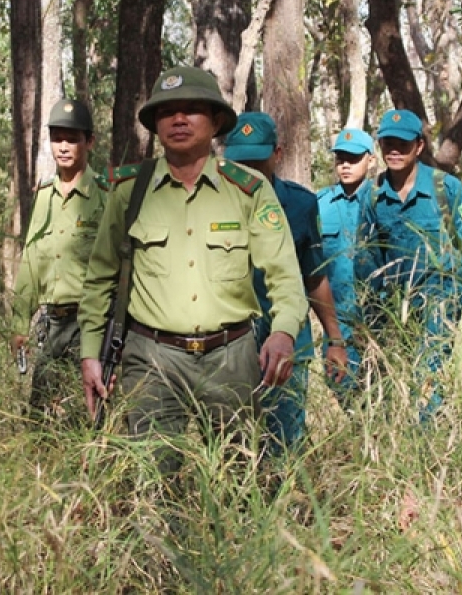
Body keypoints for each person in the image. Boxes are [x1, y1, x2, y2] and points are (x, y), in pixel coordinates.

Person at [78, 66, 307, 474]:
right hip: (151, 358)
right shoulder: (130, 192)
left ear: (216, 121)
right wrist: (90, 353)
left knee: (236, 478)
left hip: (231, 358)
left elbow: (285, 275)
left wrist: (284, 331)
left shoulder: (249, 190)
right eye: (168, 112)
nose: (179, 120)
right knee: (155, 482)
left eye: (192, 110)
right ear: (155, 124)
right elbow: (100, 278)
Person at [222, 112, 350, 453]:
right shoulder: (211, 202)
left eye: (256, 161)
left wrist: (334, 339)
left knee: (283, 444)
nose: (247, 171)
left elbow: (314, 275)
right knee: (232, 448)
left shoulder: (300, 203)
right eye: (240, 162)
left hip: (288, 344)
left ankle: (285, 505)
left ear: (277, 154)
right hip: (230, 347)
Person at [355, 109, 462, 420]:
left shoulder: (446, 188)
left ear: (418, 147)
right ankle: (396, 438)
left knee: (430, 367)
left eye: (403, 144)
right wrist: (374, 306)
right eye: (388, 143)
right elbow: (365, 256)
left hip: (440, 298)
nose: (395, 151)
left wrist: (455, 293)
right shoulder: (373, 195)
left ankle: (429, 440)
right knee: (390, 375)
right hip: (393, 306)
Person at [10, 98, 106, 416]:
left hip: (90, 324)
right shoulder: (44, 196)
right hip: (51, 324)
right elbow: (32, 259)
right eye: (56, 138)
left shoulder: (106, 195)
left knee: (87, 415)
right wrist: (20, 322)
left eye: (72, 138)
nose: (63, 147)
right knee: (40, 416)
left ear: (89, 142)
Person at [315, 127, 375, 404]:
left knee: (383, 392)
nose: (346, 165)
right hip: (337, 321)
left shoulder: (383, 200)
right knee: (341, 386)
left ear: (371, 160)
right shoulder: (319, 204)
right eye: (340, 159)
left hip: (378, 318)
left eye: (353, 158)